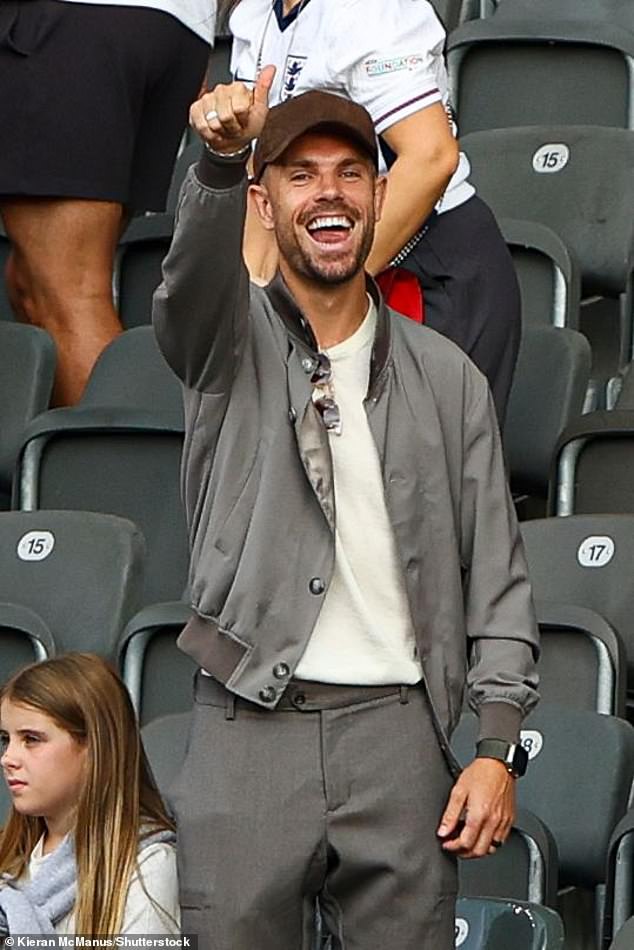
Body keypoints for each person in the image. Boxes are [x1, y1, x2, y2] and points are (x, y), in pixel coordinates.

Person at [154, 77, 539, 950]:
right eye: (298, 174)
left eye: (349, 172)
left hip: (401, 737)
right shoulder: (227, 343)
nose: (328, 191)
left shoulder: (448, 377)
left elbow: (500, 577)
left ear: (377, 193)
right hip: (248, 725)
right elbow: (186, 292)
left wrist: (496, 743)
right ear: (265, 201)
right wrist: (218, 164)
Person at [217, 0, 521, 426]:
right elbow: (265, 178)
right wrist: (257, 309)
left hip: (429, 266)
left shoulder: (370, 8)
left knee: (425, 479)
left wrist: (327, 297)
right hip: (327, 260)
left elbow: (431, 156)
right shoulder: (257, 14)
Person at [0, 0, 214, 406]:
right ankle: (70, 464)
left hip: (72, 24)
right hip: (177, 30)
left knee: (68, 294)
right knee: (30, 284)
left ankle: (132, 467)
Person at [0, 653, 179, 935]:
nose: (8, 758)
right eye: (5, 740)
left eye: (31, 739)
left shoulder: (145, 865)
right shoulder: (8, 858)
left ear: (95, 748)